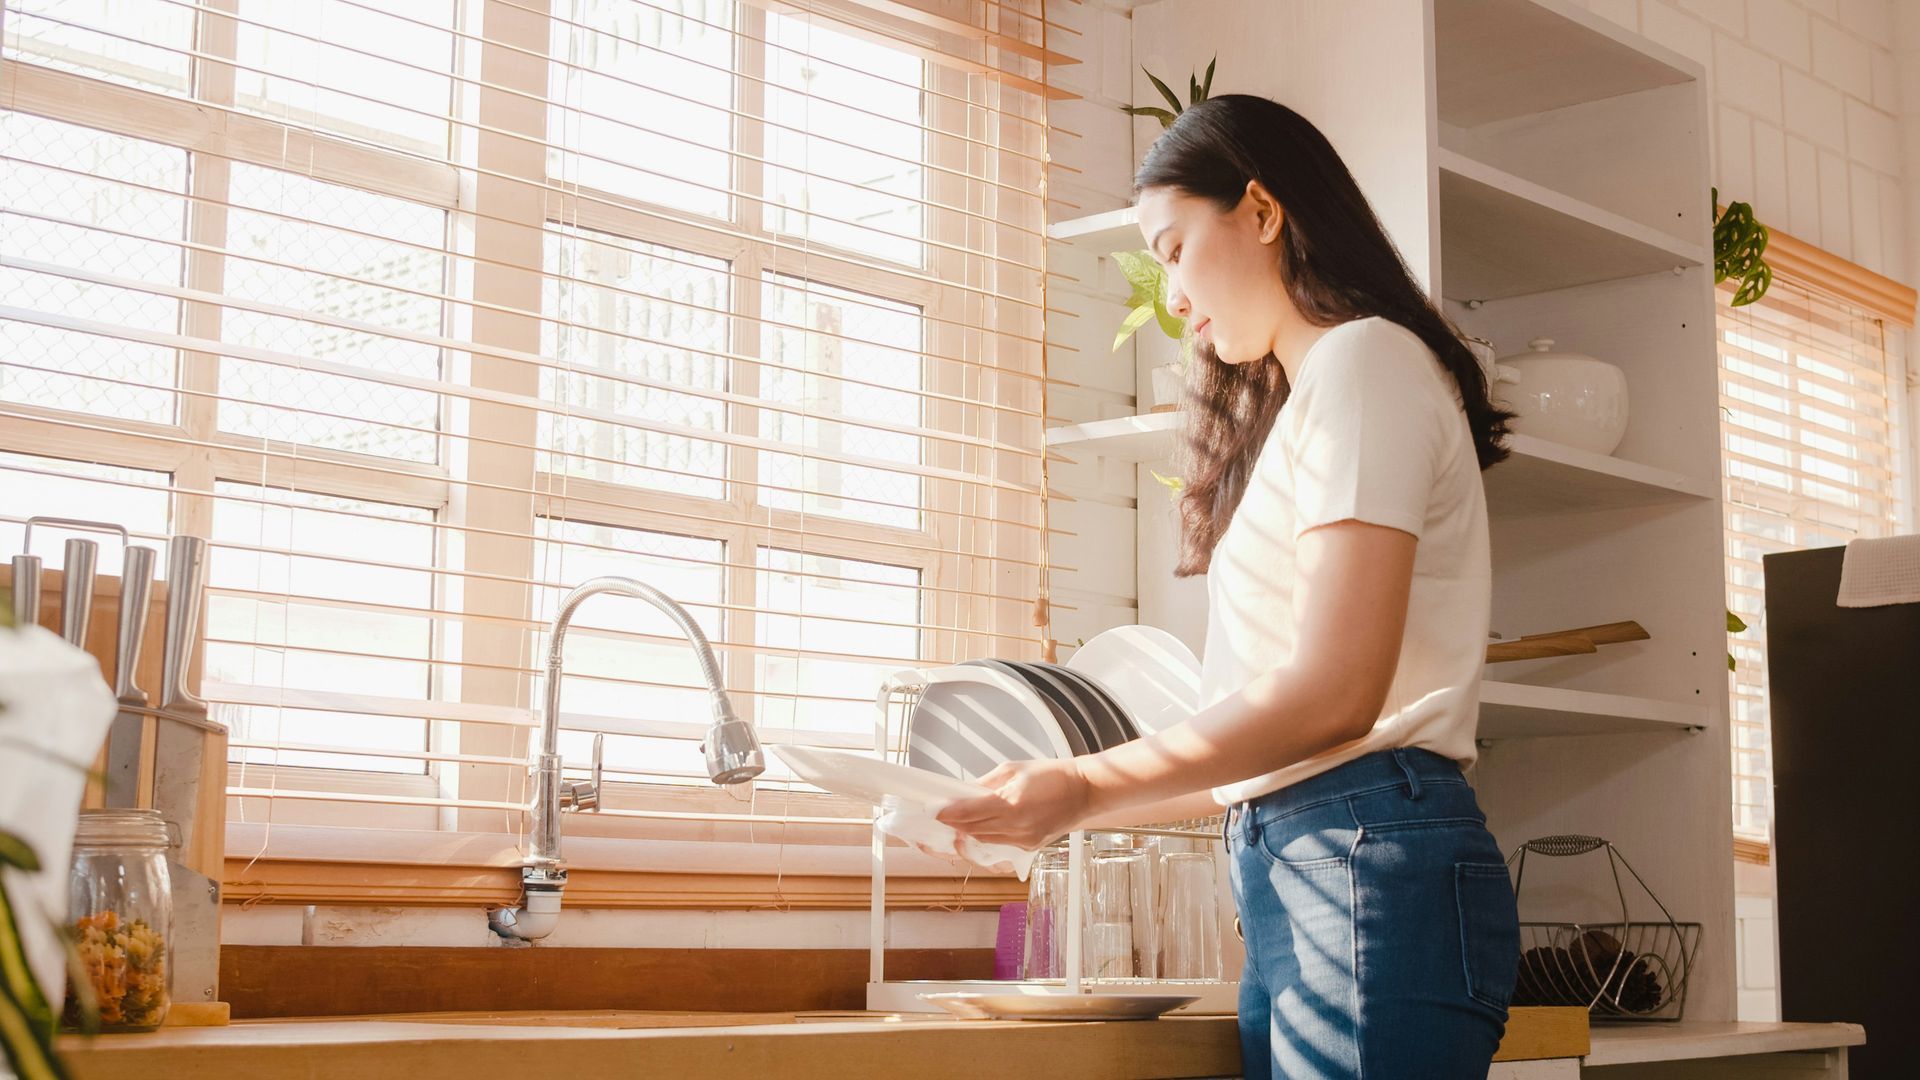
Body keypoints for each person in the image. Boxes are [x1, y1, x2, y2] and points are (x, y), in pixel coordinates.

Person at [937, 94, 1523, 1079]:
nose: (1170, 293)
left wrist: (1081, 781)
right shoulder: (1326, 395)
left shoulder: (1365, 364)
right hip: (1316, 861)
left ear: (1260, 211)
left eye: (1172, 247)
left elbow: (1335, 692)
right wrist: (1057, 807)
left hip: (1357, 857)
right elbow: (1255, 747)